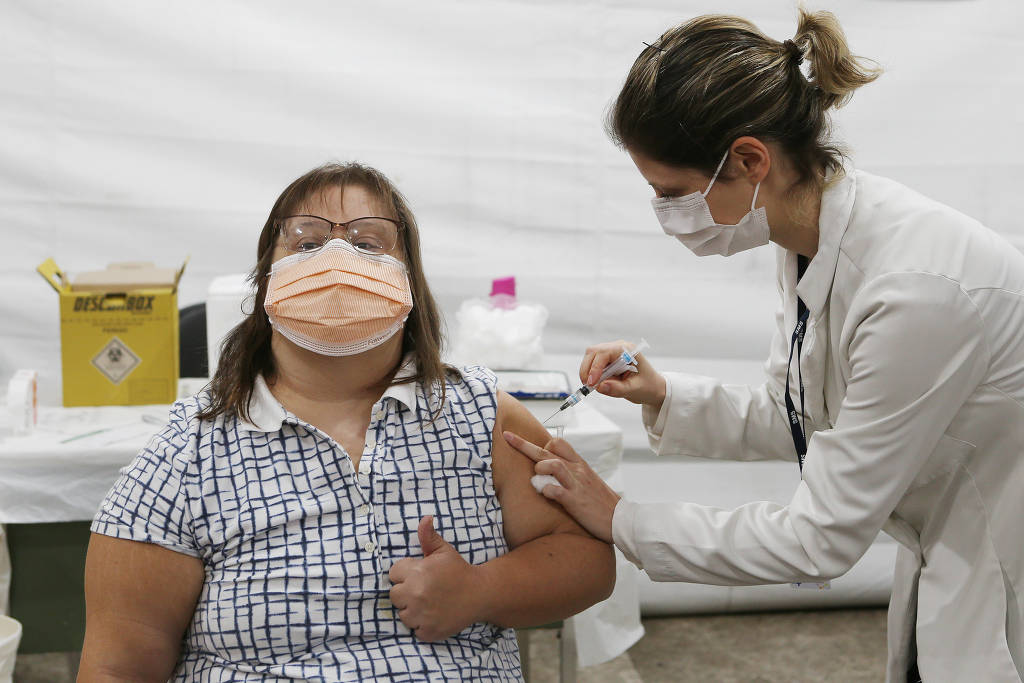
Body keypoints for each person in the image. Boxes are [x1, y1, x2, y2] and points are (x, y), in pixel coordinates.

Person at [504, 9, 1024, 683]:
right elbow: (806, 416)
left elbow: (818, 541)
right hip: (950, 548)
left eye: (672, 194)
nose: (666, 216)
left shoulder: (916, 289)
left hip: (999, 559)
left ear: (751, 160)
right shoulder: (810, 243)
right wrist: (664, 396)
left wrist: (622, 519)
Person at [77, 162, 615, 682]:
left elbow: (586, 562)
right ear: (266, 277)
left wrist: (481, 590)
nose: (336, 258)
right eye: (306, 243)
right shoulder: (189, 447)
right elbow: (117, 665)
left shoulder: (480, 412)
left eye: (367, 243)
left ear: (408, 277)